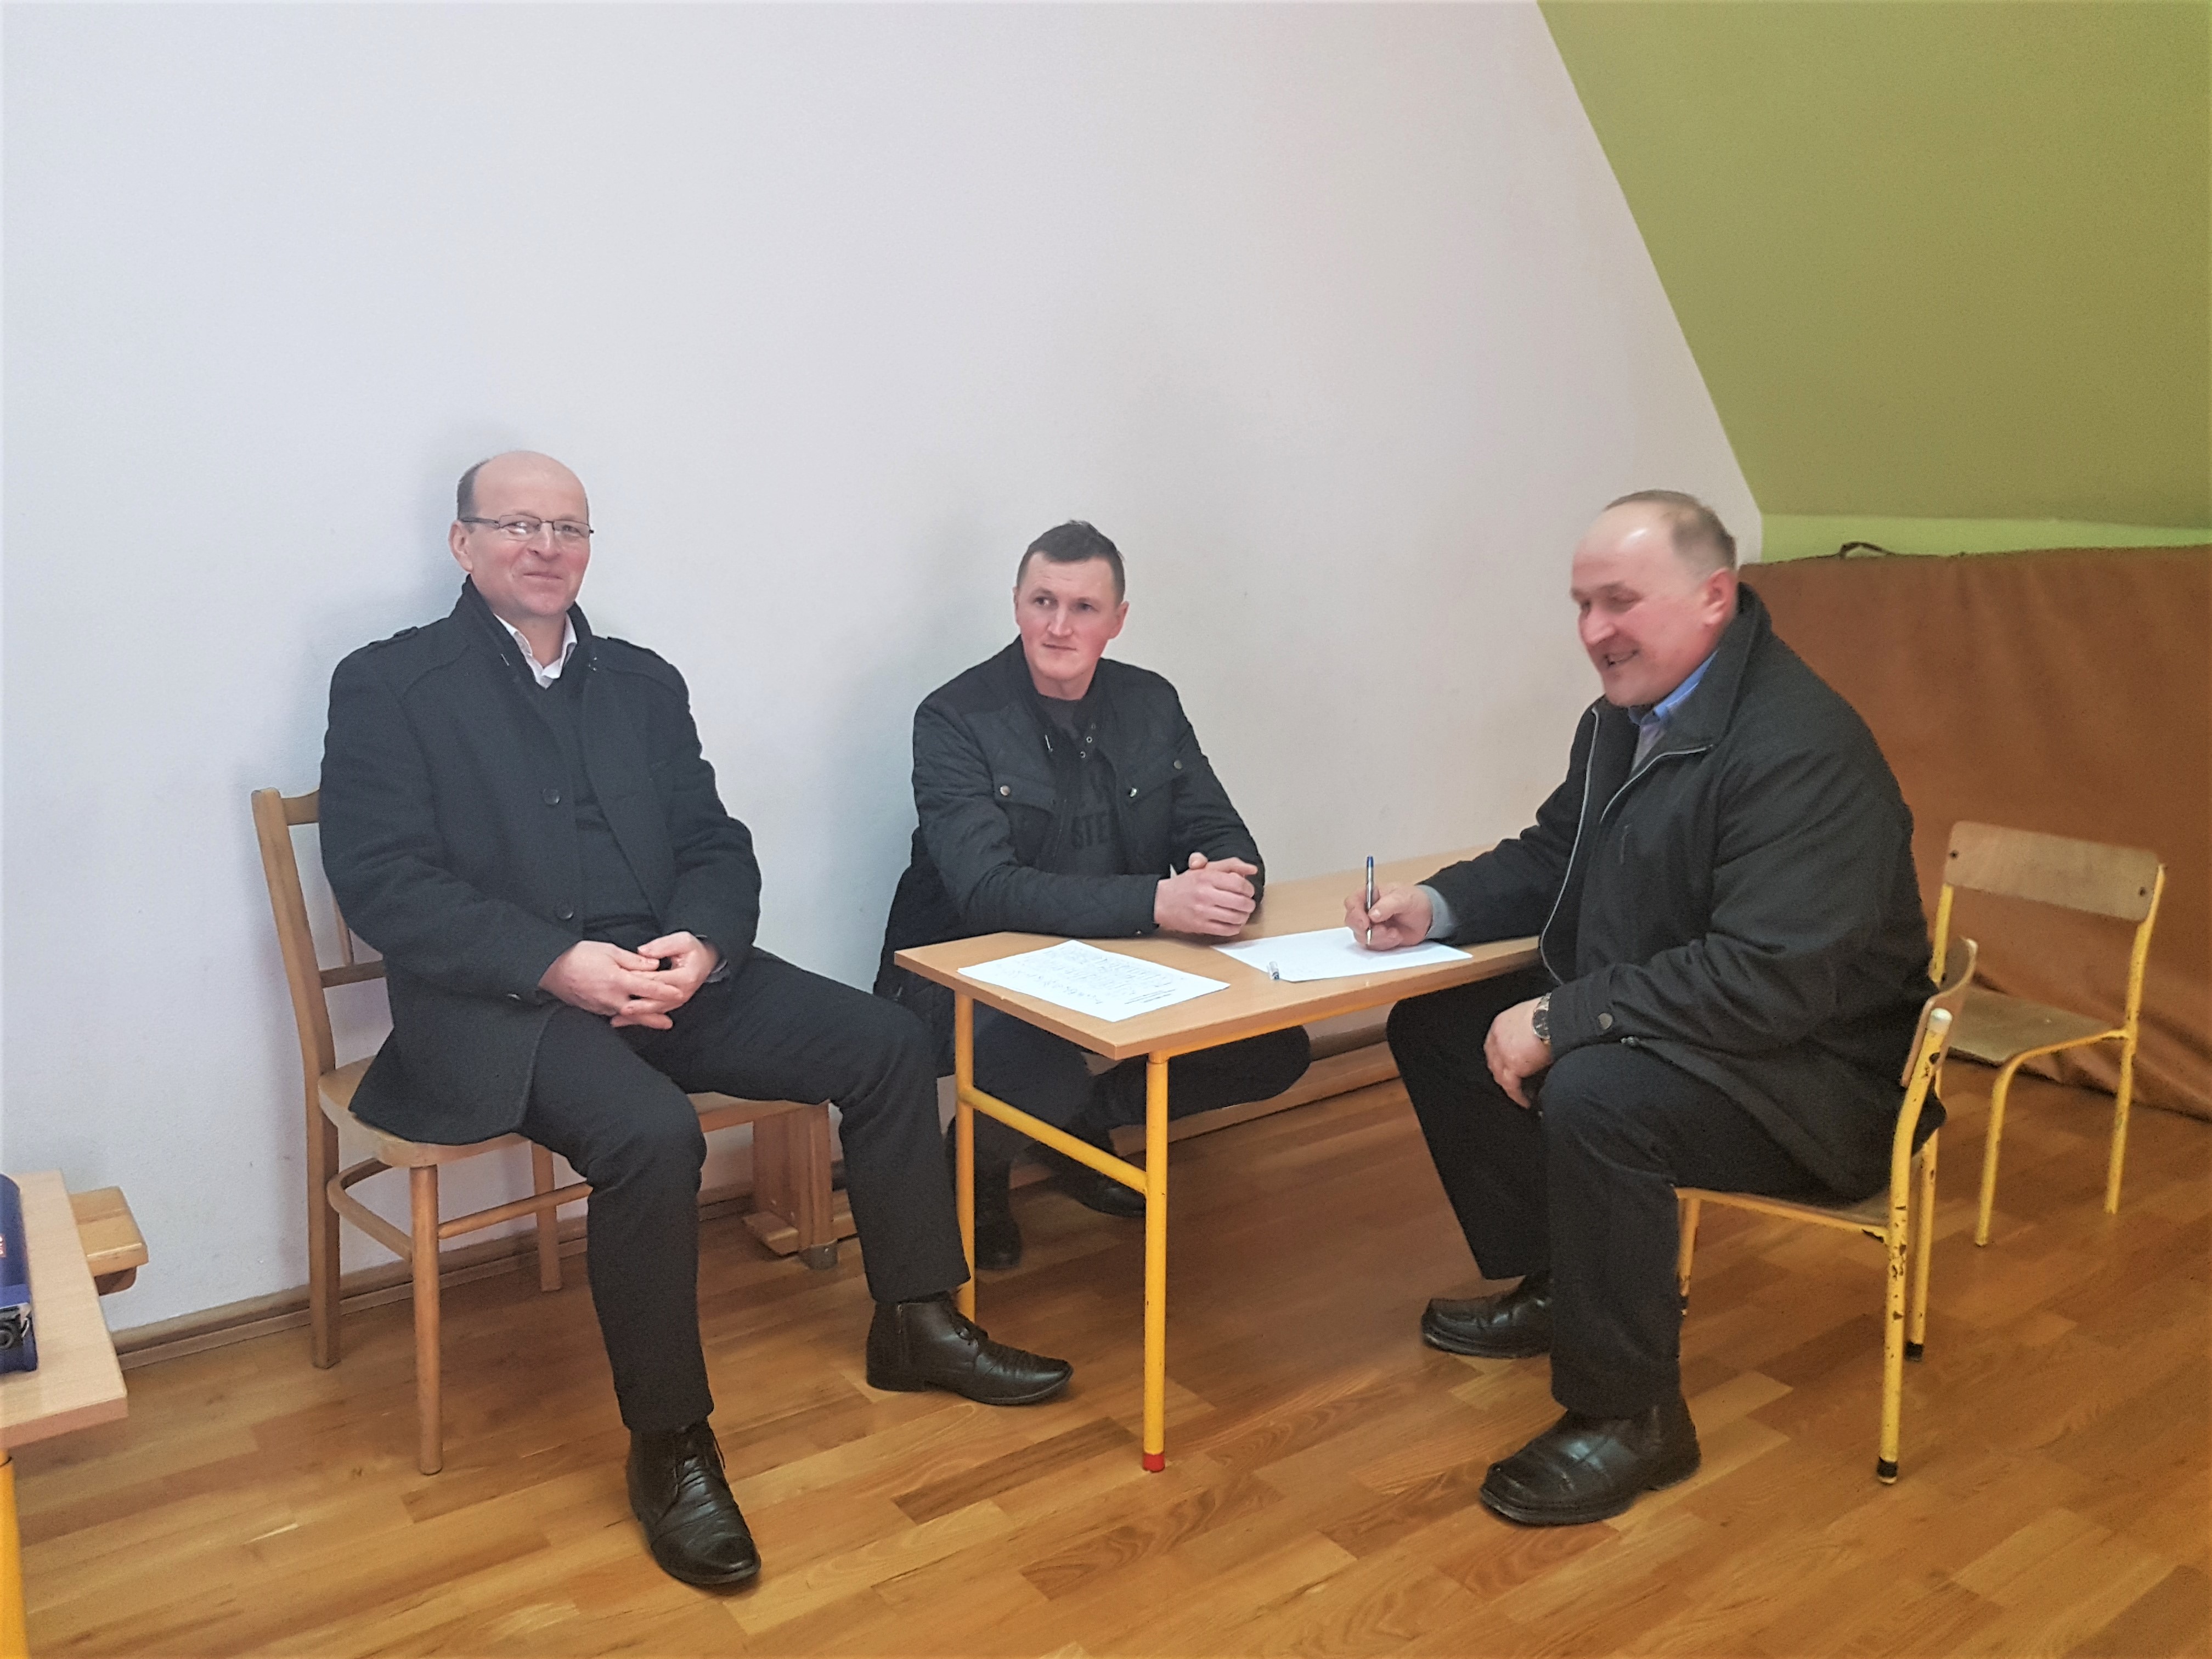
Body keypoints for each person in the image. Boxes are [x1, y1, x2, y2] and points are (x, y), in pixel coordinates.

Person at [319, 452, 1072, 1591]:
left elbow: (715, 844)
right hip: (505, 1004)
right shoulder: (390, 684)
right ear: (463, 542)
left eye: (569, 528)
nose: (546, 547)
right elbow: (383, 880)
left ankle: (916, 1322)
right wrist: (556, 964)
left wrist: (705, 946)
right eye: (518, 524)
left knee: (885, 1044)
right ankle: (671, 1444)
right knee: (651, 1135)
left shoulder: (642, 682)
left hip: (666, 976)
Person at [1347, 490, 1932, 1527]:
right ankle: (1564, 1283)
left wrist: (1563, 1019)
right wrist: (1436, 905)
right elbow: (1556, 854)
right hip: (1710, 1027)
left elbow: (1771, 979)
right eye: (1582, 605)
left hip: (1821, 1079)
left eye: (1620, 601)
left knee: (1599, 1094)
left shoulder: (1799, 749)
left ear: (1715, 597)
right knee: (1437, 1023)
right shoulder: (1623, 719)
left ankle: (1633, 1417)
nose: (1593, 631)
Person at [875, 521, 1311, 1268]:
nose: (1059, 626)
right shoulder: (953, 717)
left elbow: (1224, 836)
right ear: (1016, 605)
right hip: (967, 968)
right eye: (1043, 602)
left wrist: (1227, 883)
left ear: (1118, 620)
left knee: (1274, 1047)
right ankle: (976, 1162)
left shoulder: (1151, 703)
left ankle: (1069, 1125)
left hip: (1117, 956)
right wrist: (1158, 903)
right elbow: (985, 892)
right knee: (1036, 1062)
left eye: (1083, 608)